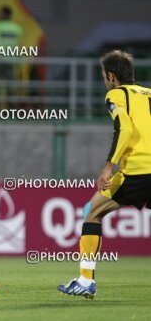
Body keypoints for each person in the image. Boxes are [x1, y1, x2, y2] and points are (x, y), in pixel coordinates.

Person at [58, 50, 151, 299]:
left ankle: (86, 280)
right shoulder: (149, 94)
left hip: (139, 170)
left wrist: (108, 166)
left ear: (111, 76)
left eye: (103, 75)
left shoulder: (116, 95)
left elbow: (125, 128)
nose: (104, 80)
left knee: (92, 212)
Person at [0, 5, 22, 108]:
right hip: (12, 59)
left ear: (5, 14)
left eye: (0, 13)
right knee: (10, 85)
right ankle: (10, 108)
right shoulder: (17, 29)